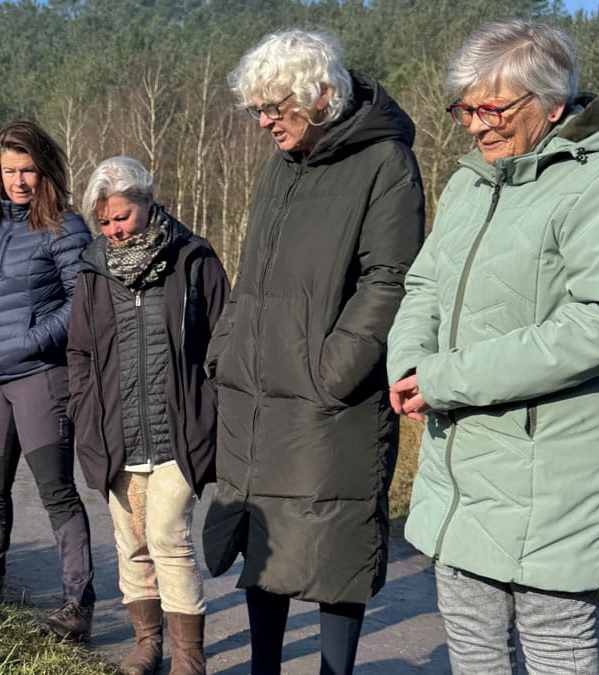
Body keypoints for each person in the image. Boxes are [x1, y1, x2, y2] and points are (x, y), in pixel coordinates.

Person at [387, 19, 599, 673]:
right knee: (469, 640)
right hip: (461, 460)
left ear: (552, 103)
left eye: (489, 108)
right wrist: (409, 362)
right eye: (464, 107)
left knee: (555, 646)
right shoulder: (472, 180)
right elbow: (426, 282)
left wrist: (448, 378)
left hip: (555, 468)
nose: (473, 124)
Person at [200, 29, 424, 675]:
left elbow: (391, 278)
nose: (265, 120)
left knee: (334, 546)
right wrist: (229, 348)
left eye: (276, 106)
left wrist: (334, 372)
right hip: (257, 391)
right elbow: (253, 274)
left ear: (320, 94)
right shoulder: (282, 164)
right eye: (258, 109)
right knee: (262, 543)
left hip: (332, 399)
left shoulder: (386, 161)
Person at [68, 157, 228, 675]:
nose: (114, 230)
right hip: (116, 432)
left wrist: (213, 407)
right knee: (131, 542)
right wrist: (84, 408)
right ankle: (147, 642)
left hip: (179, 432)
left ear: (147, 203)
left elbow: (225, 340)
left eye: (123, 217)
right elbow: (79, 352)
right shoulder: (93, 271)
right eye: (105, 221)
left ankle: (189, 655)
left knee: (166, 535)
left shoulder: (193, 258)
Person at [0, 120, 96, 640]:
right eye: (9, 170)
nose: (18, 180)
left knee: (56, 491)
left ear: (45, 171)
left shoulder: (65, 228)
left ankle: (77, 603)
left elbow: (82, 303)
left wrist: (27, 342)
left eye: (27, 169)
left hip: (40, 378)